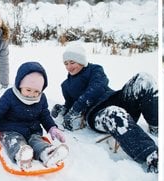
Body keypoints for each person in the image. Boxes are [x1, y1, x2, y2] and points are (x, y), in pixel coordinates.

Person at [51, 43, 158, 173]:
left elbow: (98, 86)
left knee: (143, 79)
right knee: (114, 114)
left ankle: (155, 126)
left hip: (117, 99)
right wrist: (62, 109)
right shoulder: (66, 85)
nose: (69, 67)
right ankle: (151, 156)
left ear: (81, 61)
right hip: (97, 114)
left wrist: (77, 107)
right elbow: (69, 105)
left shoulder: (95, 70)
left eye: (72, 62)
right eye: (66, 63)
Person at [0, 61, 69, 170]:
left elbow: (45, 115)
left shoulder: (41, 99)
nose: (32, 94)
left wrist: (52, 128)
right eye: (28, 90)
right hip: (10, 130)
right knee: (14, 141)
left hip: (32, 131)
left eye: (36, 91)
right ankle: (21, 155)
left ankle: (47, 153)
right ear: (20, 85)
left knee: (37, 141)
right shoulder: (10, 95)